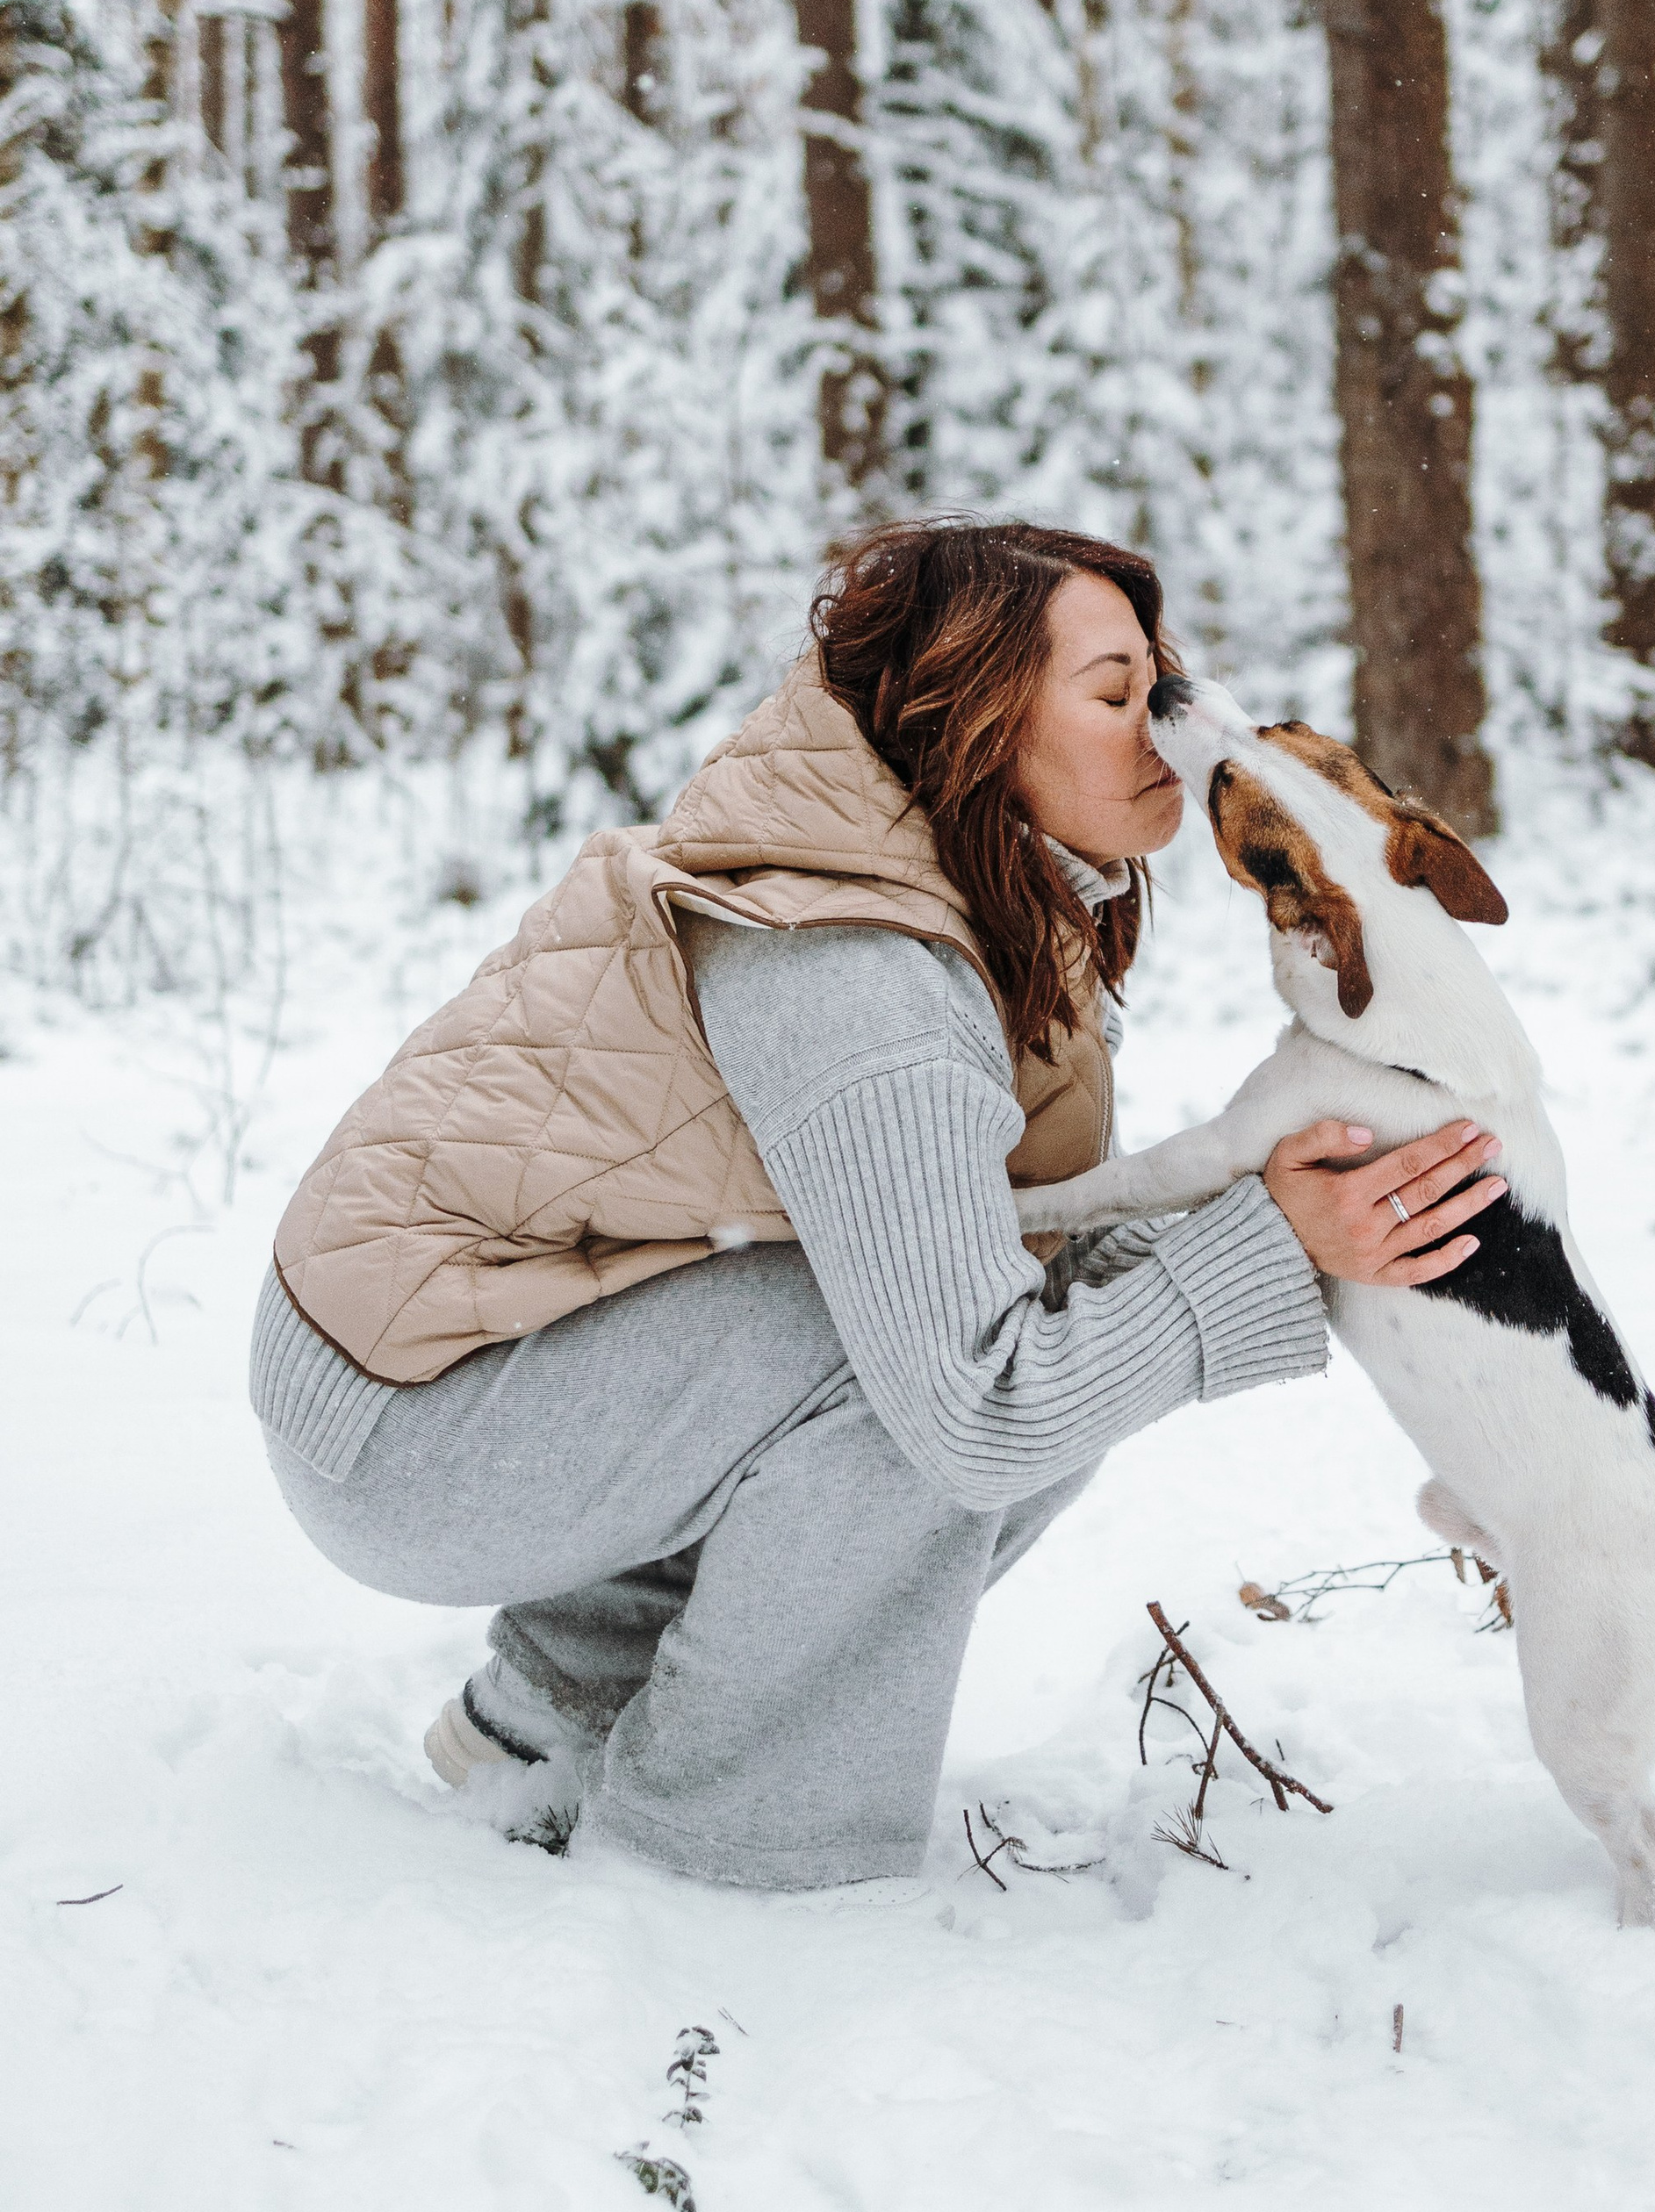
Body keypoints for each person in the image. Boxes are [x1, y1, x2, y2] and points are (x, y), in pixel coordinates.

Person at [251, 521, 1505, 1892]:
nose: (1172, 719)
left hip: (476, 1365)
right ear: (974, 722)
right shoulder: (857, 973)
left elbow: (1036, 1271)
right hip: (412, 1429)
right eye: (1113, 692)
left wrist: (1249, 1228)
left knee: (1006, 1333)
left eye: (1161, 673)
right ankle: (728, 1851)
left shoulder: (960, 880)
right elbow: (976, 1408)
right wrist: (1265, 1252)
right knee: (945, 1375)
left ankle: (547, 1722)